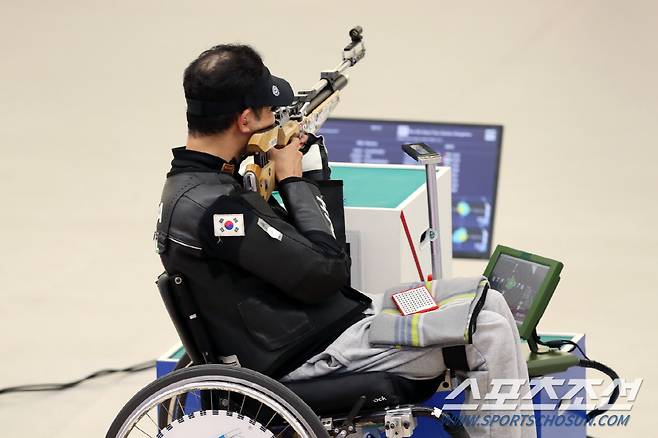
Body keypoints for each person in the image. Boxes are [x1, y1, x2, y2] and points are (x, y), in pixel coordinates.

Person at [155, 44, 536, 438]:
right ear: (246, 119)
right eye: (270, 114)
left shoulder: (201, 185)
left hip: (329, 328)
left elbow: (312, 263)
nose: (275, 123)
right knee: (488, 332)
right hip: (313, 355)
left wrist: (296, 176)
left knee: (486, 296)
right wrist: (295, 180)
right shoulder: (218, 209)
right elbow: (327, 271)